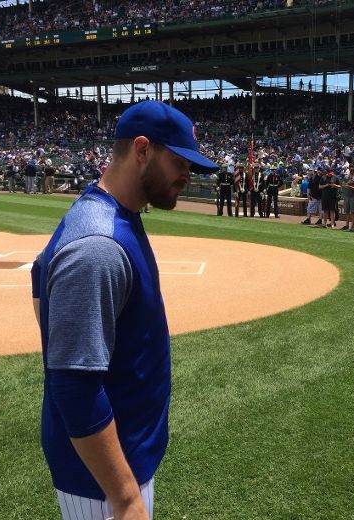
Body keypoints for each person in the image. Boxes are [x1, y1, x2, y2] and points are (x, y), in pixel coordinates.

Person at [31, 100, 218, 520]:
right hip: (103, 484)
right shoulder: (98, 245)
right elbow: (75, 389)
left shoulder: (113, 215)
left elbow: (38, 282)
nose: (188, 176)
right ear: (142, 150)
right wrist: (125, 497)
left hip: (117, 464)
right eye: (179, 162)